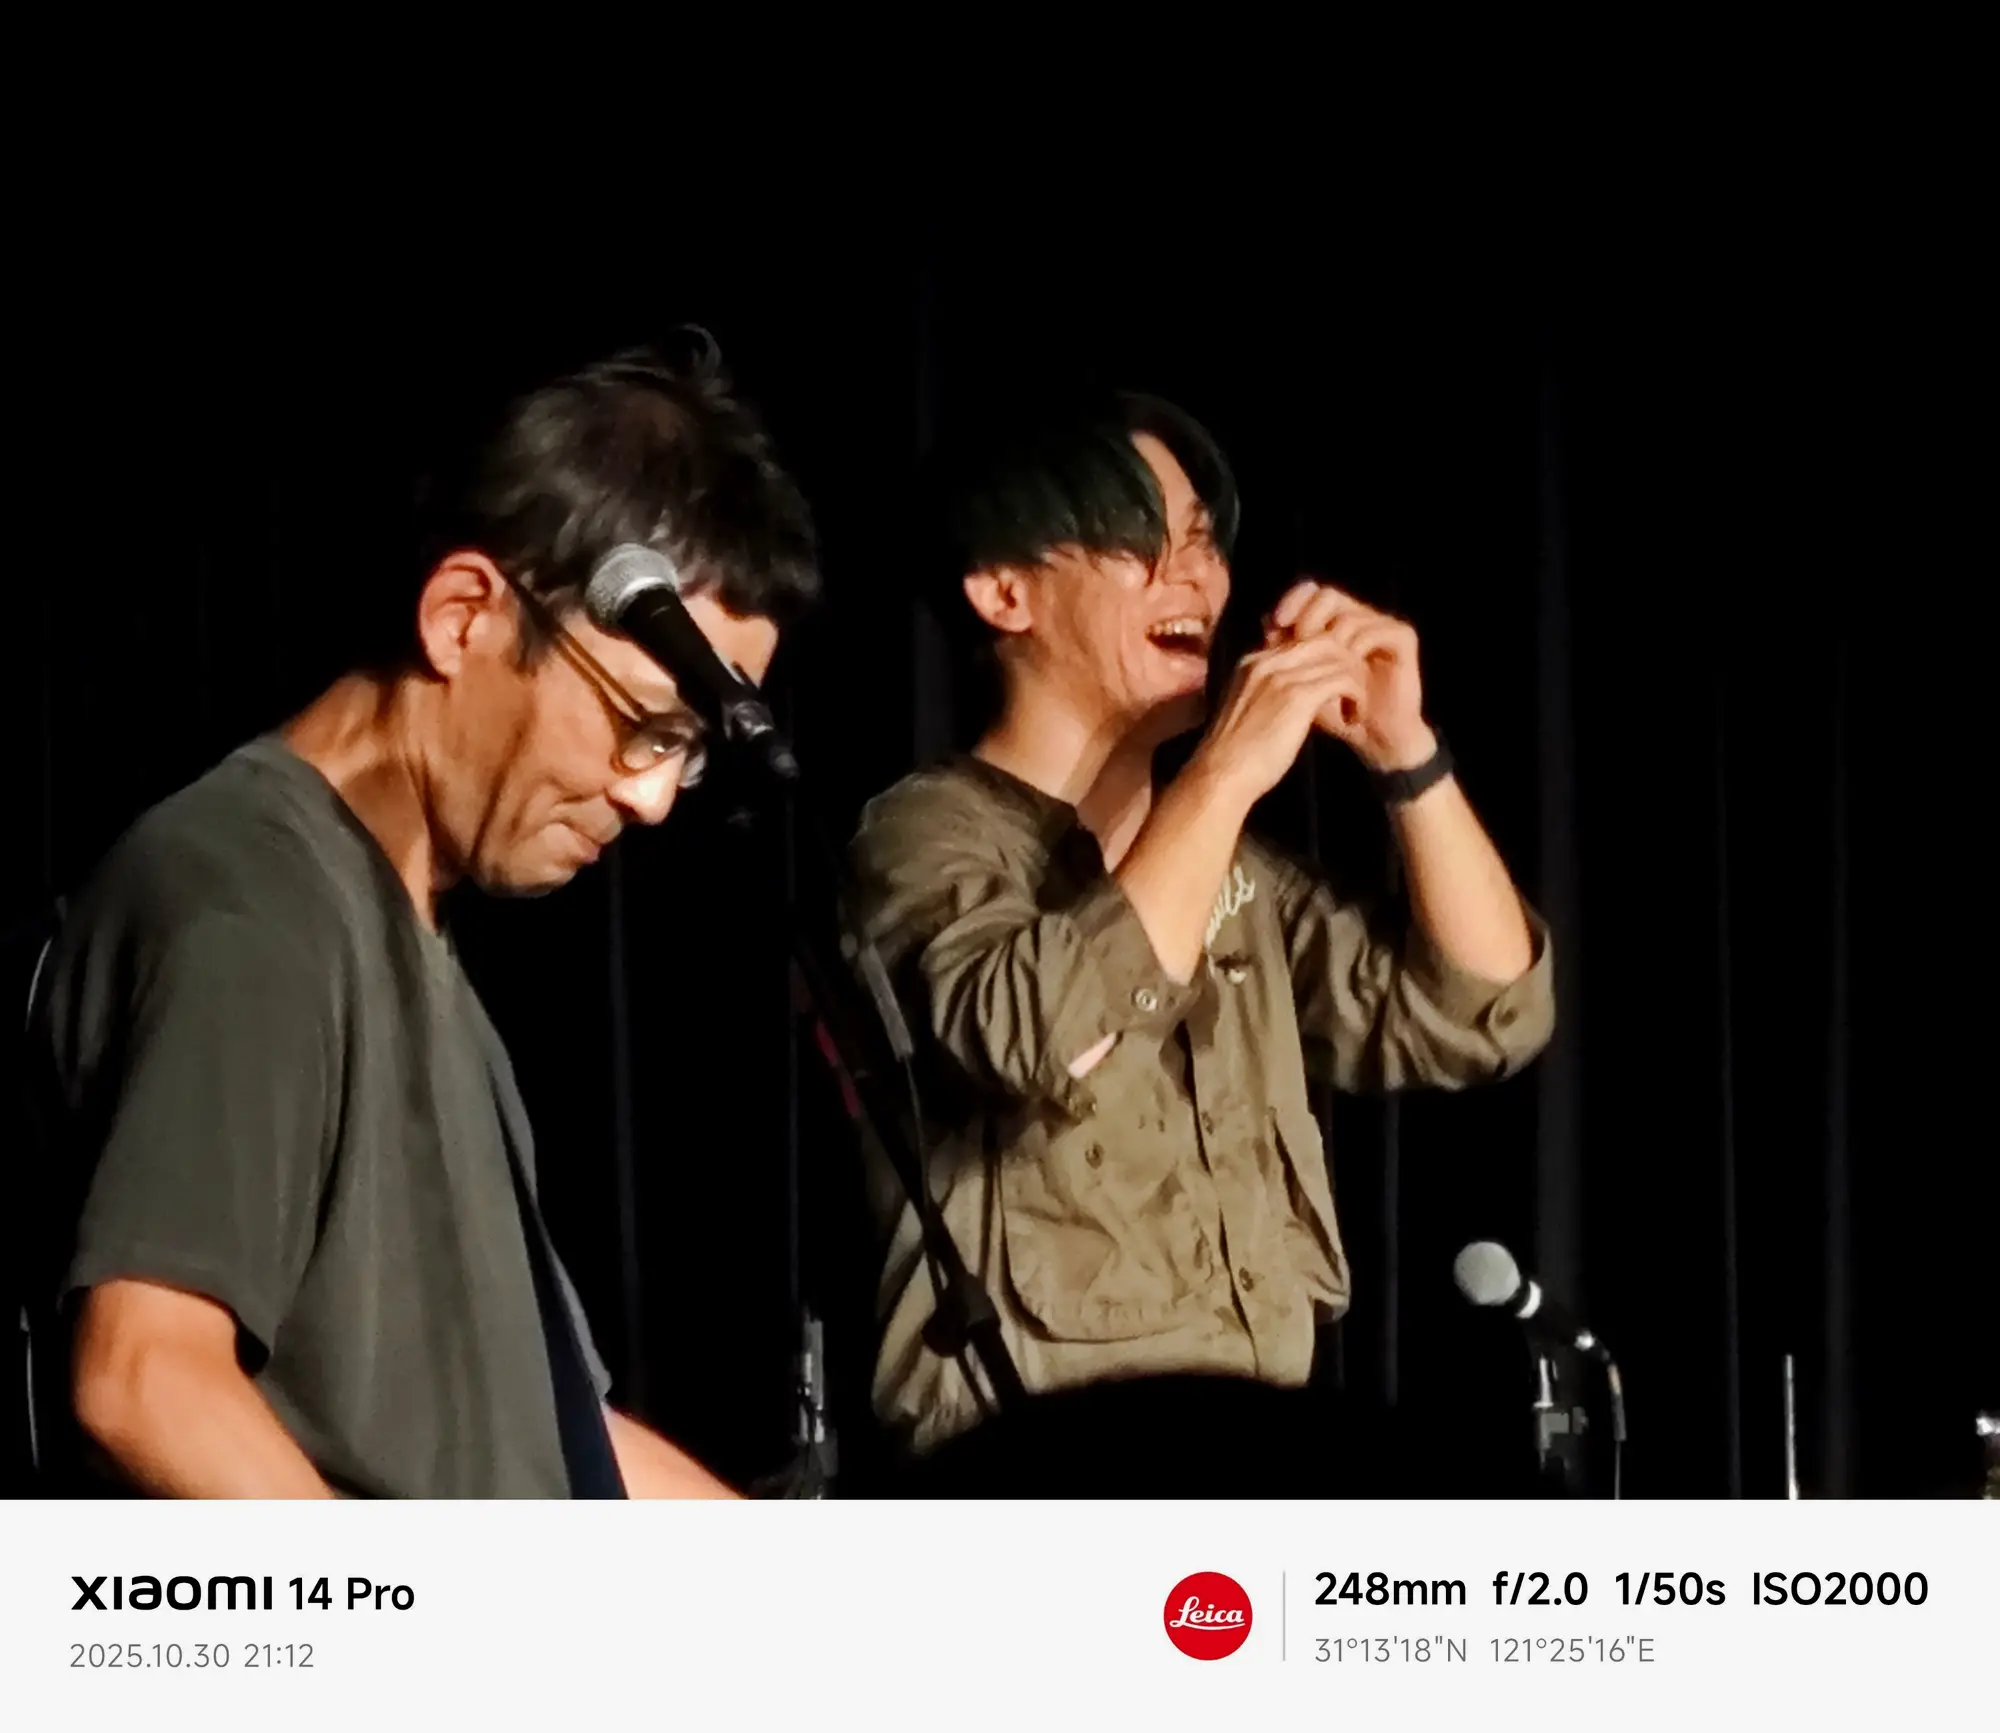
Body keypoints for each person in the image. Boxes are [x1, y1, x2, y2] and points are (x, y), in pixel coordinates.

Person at [31, 338, 819, 1498]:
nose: (653, 797)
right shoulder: (246, 903)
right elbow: (146, 1380)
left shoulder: (407, 940)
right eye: (644, 725)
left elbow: (549, 1437)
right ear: (462, 616)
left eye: (686, 754)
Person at [846, 391, 1556, 1490]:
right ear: (1004, 591)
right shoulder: (926, 836)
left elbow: (1480, 1011)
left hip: (1245, 1462)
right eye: (1144, 542)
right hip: (1036, 1479)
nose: (1197, 578)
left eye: (1206, 543)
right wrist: (1226, 769)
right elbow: (1032, 1035)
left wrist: (1405, 755)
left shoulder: (1236, 872)